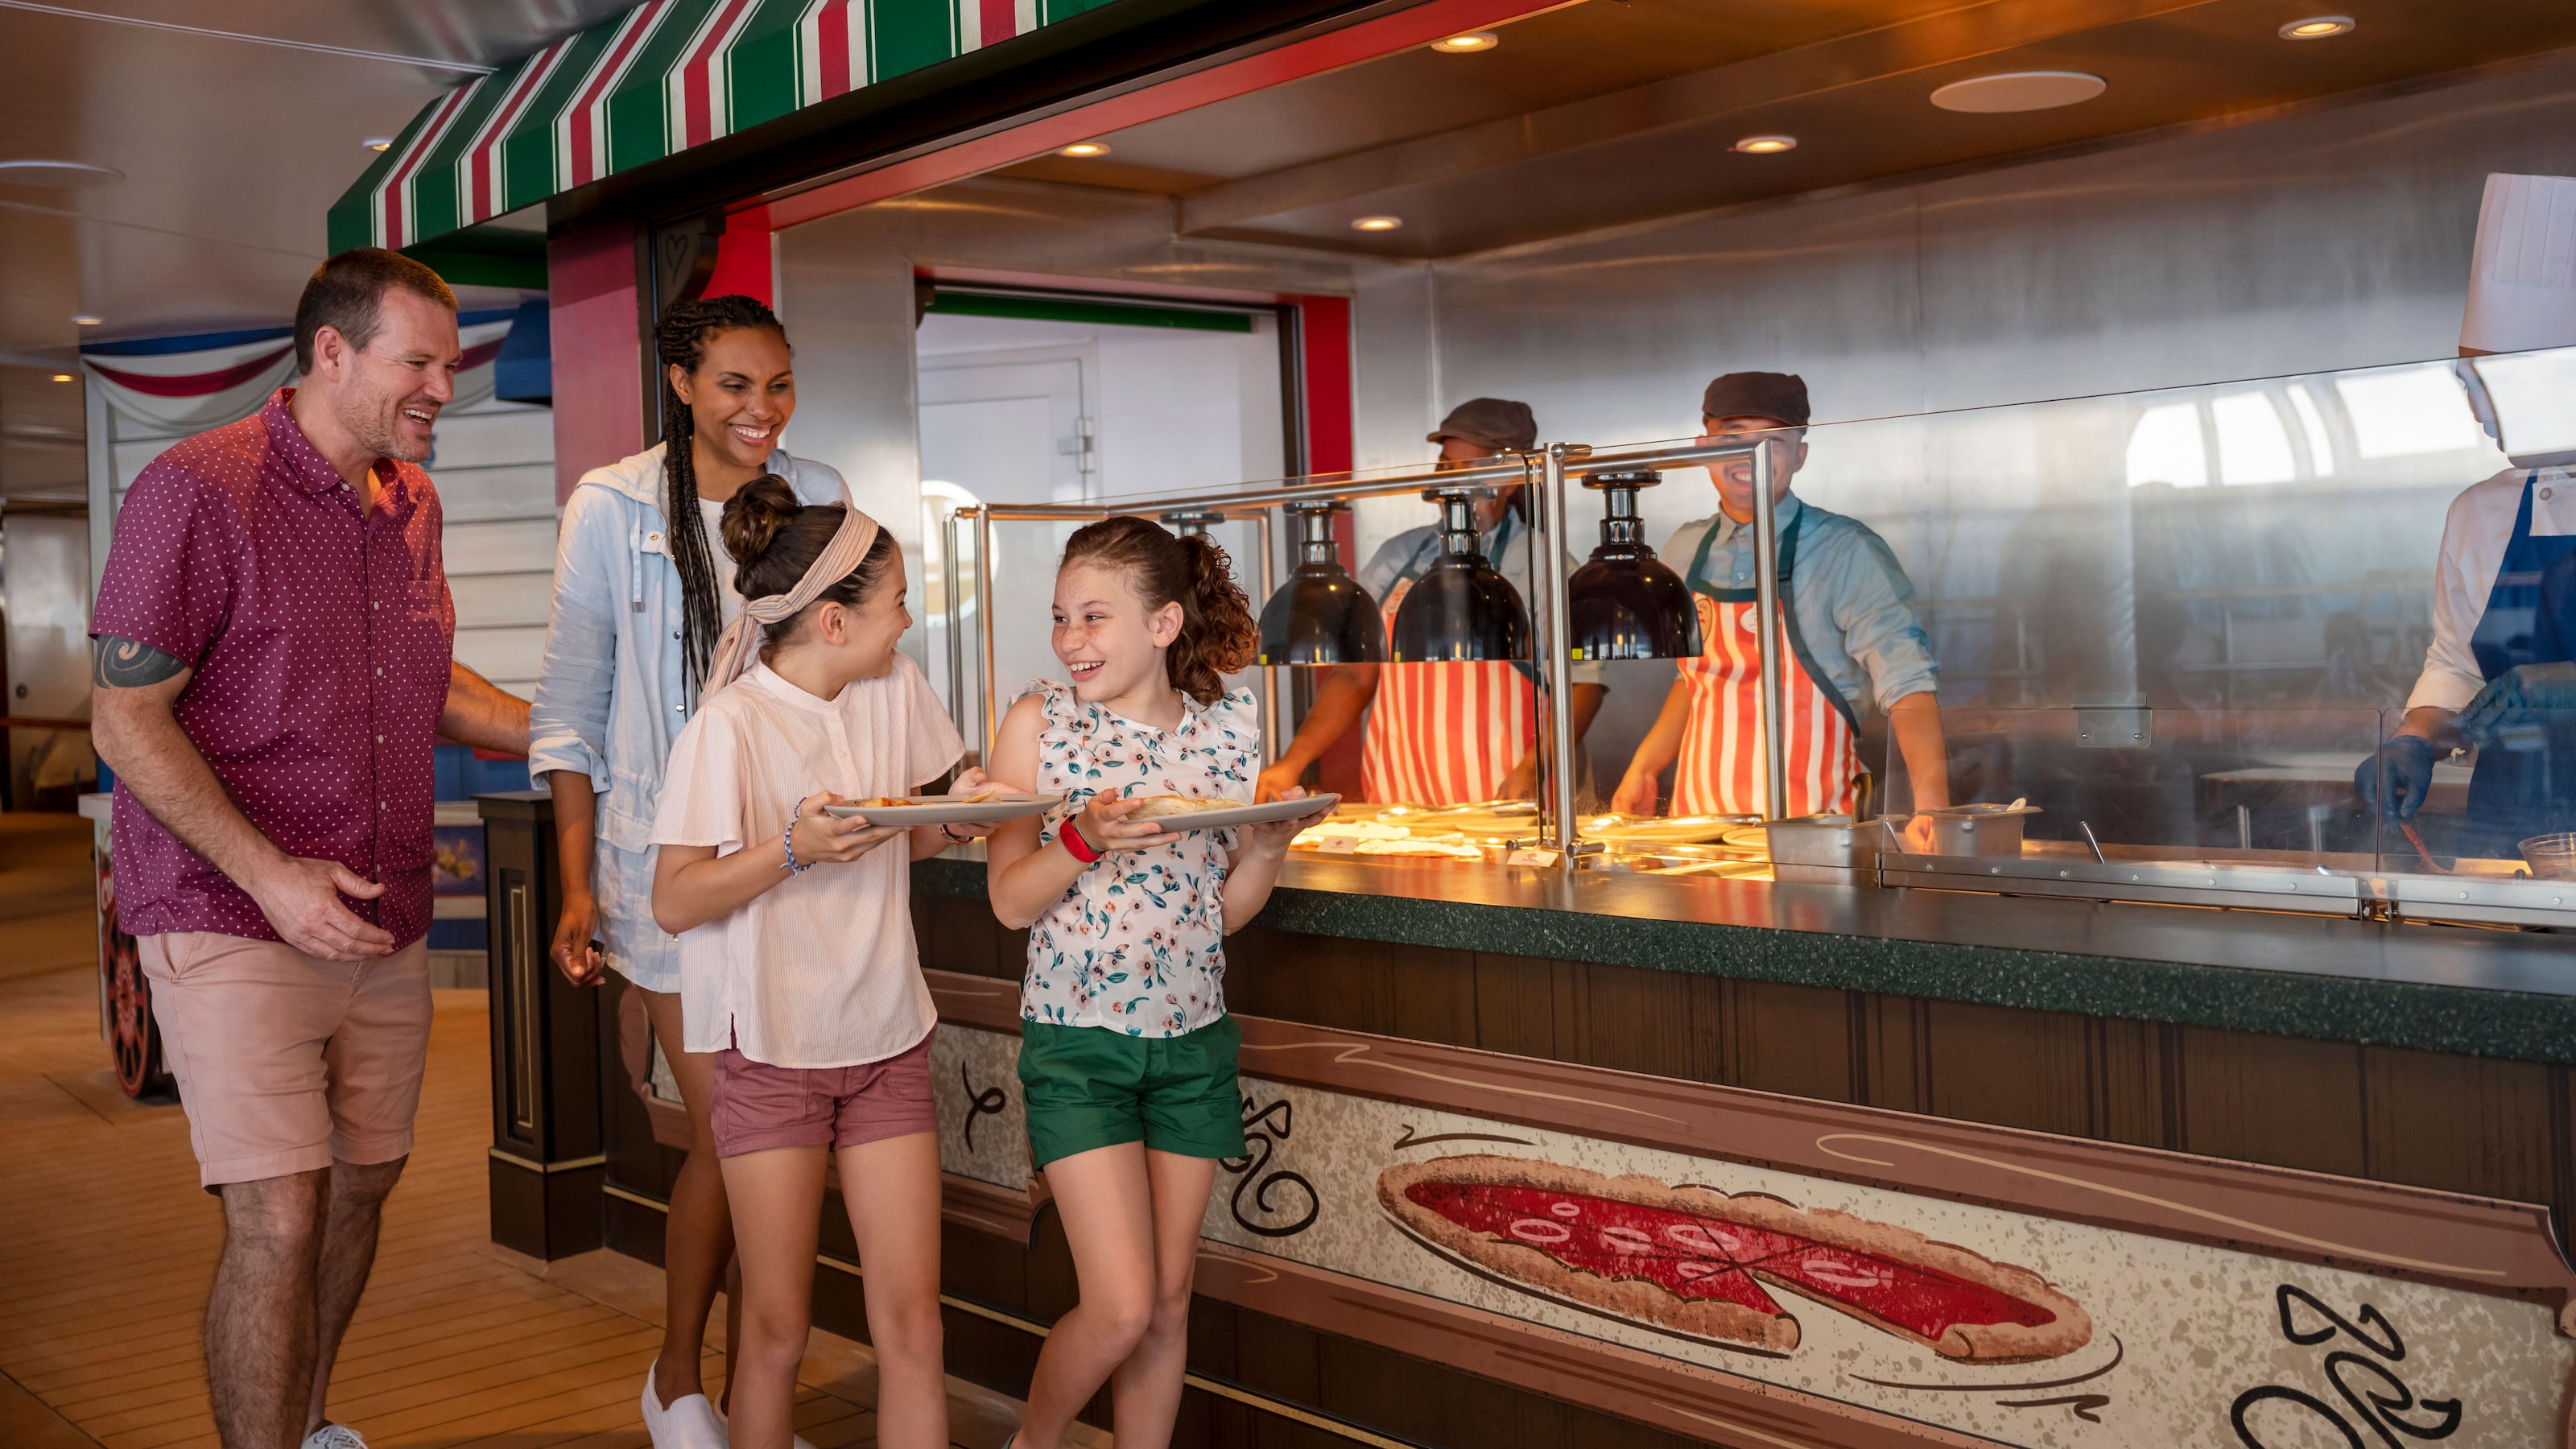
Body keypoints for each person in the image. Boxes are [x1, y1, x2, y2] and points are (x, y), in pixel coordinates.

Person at [88, 248, 530, 1449]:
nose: (444, 388)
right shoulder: (194, 488)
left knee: (361, 1188)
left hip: (381, 920)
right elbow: (124, 718)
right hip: (232, 913)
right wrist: (271, 877)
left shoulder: (411, 502)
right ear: (332, 352)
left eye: (451, 364)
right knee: (278, 1219)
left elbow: (428, 682)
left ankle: (307, 1424)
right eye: (419, 362)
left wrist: (574, 733)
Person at [527, 294, 845, 1449]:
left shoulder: (819, 492)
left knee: (777, 1146)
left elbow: (848, 665)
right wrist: (576, 890)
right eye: (735, 386)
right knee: (737, 1138)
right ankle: (677, 1379)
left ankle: (746, 1402)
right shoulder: (612, 507)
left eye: (779, 384)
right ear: (681, 384)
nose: (763, 410)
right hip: (665, 875)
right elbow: (570, 712)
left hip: (796, 863)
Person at [959, 517, 1319, 1449]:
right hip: (1077, 1047)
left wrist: (1267, 850)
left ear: (1163, 624)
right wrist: (1082, 839)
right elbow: (1008, 901)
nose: (1069, 640)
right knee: (1119, 1307)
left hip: (1193, 1045)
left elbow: (1216, 913)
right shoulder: (1039, 723)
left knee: (1164, 1304)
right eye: (1060, 617)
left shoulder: (1228, 728)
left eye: (1093, 617)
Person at [650, 477, 968, 1449]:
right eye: (897, 603)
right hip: (772, 1049)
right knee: (778, 1331)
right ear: (833, 621)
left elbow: (913, 835)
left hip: (886, 1035)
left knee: (914, 1326)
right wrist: (791, 848)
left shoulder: (895, 689)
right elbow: (674, 900)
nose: (907, 621)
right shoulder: (728, 727)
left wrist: (961, 816)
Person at [1611, 373, 1950, 828]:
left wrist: (1933, 808)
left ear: (1799, 455)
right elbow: (1694, 681)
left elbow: (1908, 684)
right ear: (1703, 448)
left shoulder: (1846, 550)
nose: (1749, 454)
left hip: (1816, 832)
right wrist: (1645, 766)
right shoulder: (1683, 549)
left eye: (1772, 440)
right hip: (1697, 833)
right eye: (1732, 437)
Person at [2360, 172, 2576, 859]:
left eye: (2497, 383)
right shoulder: (2479, 513)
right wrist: (2415, 737)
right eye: (2468, 383)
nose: (2479, 411)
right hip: (2512, 823)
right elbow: (2457, 664)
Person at [1253, 398, 1608, 805]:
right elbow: (1354, 676)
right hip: (1402, 805)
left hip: (1512, 803)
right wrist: (1292, 762)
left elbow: (1584, 684)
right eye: (1445, 466)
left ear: (1512, 479)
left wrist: (1531, 768)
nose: (1450, 482)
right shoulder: (1398, 558)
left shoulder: (1543, 565)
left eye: (1468, 467)